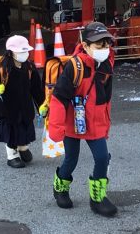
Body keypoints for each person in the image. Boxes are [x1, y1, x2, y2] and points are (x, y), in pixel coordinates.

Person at [47, 22, 117, 217]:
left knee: (102, 158)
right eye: (99, 45)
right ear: (85, 45)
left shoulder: (107, 64)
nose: (104, 49)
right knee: (71, 159)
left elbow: (105, 99)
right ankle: (60, 188)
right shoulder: (74, 66)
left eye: (107, 44)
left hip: (94, 122)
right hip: (73, 121)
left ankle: (98, 198)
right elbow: (59, 98)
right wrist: (56, 127)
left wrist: (105, 123)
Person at [0, 35, 45, 168]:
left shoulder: (29, 67)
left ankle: (23, 147)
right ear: (11, 52)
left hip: (25, 106)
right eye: (21, 51)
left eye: (26, 51)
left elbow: (36, 88)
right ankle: (12, 155)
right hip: (9, 109)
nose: (25, 54)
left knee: (25, 126)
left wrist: (42, 105)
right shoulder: (3, 68)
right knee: (11, 131)